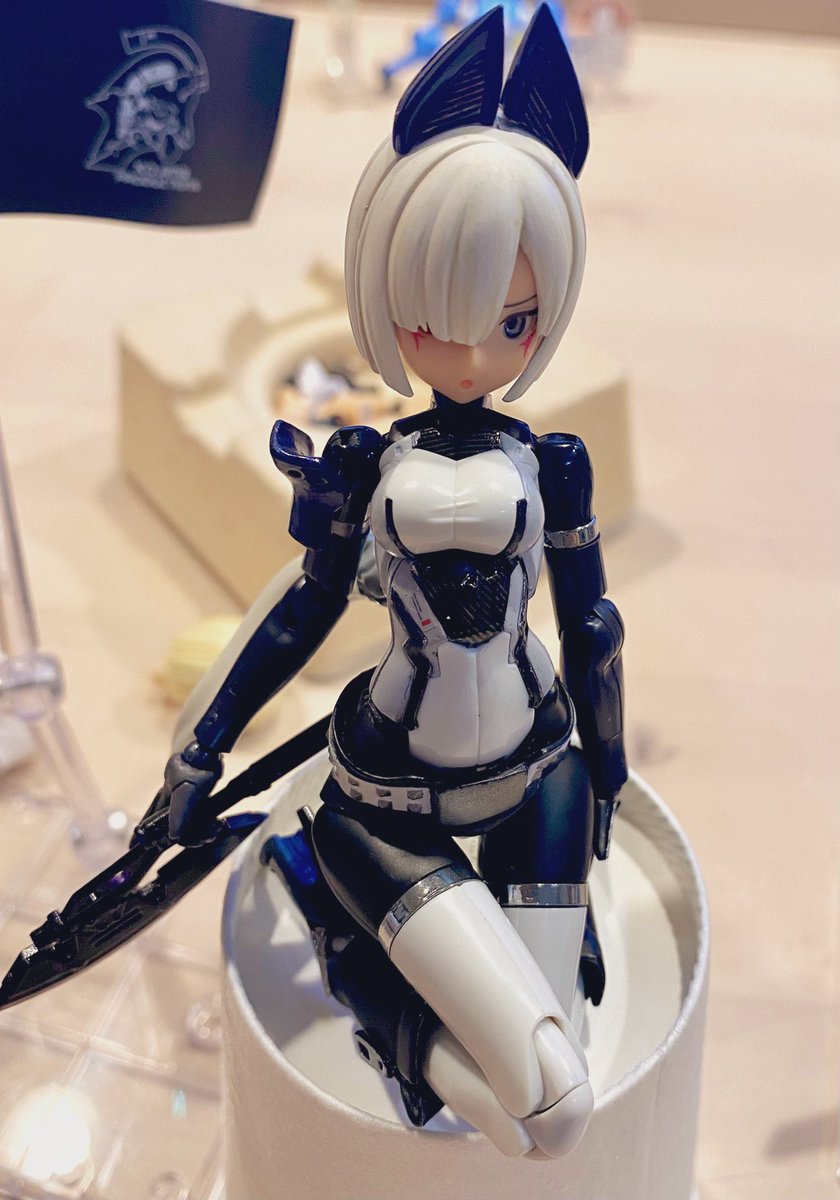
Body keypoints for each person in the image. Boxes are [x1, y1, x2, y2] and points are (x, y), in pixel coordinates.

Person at [157, 5, 626, 1159]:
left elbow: (593, 626)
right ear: (390, 303)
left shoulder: (556, 466)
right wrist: (199, 747)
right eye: (434, 322)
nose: (469, 356)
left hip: (540, 782)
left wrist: (607, 769)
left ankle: (363, 957)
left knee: (553, 1076)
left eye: (511, 322)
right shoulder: (364, 467)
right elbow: (299, 610)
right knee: (551, 1109)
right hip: (391, 810)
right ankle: (337, 914)